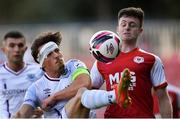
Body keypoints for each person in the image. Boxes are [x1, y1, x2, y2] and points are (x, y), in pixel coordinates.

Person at [13, 31, 132, 118]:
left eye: (57, 50)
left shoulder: (74, 65)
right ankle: (116, 96)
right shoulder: (35, 88)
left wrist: (54, 97)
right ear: (42, 63)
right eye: (49, 54)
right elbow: (22, 113)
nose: (56, 55)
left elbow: (85, 82)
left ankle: (117, 96)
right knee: (81, 93)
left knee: (82, 91)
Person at [89, 7, 173, 118]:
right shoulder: (101, 60)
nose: (127, 28)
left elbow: (163, 97)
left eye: (132, 25)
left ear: (140, 31)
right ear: (117, 29)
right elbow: (89, 94)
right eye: (123, 24)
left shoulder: (151, 60)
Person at [0, 31, 43, 119]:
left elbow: (49, 97)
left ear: (25, 49)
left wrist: (43, 109)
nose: (16, 49)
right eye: (12, 45)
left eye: (20, 45)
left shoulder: (39, 71)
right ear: (3, 50)